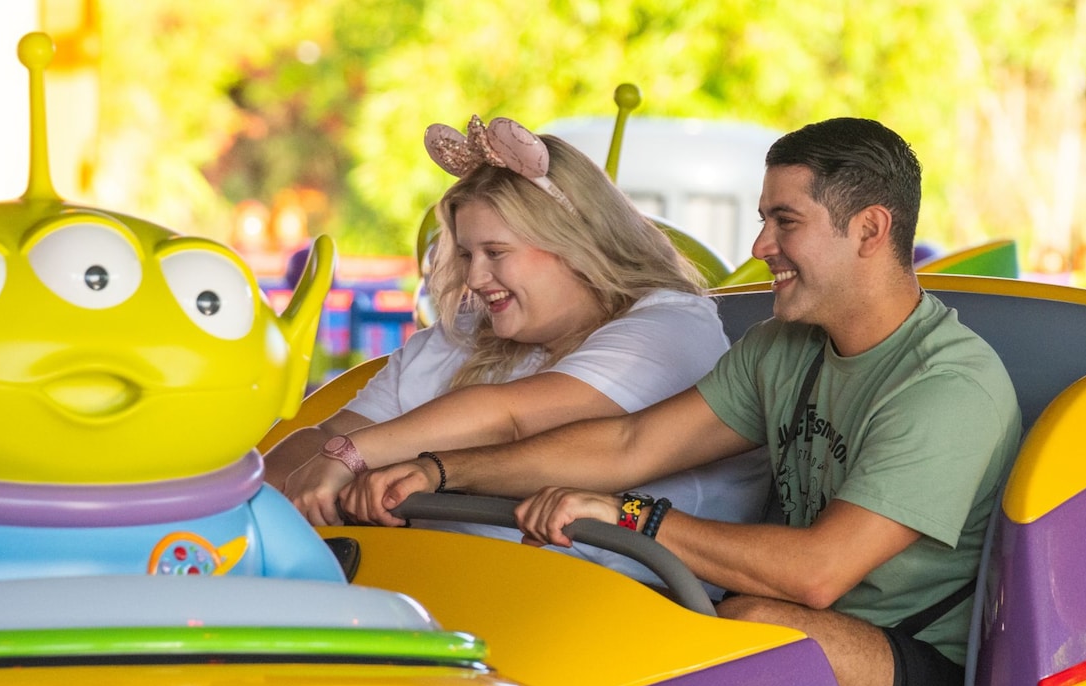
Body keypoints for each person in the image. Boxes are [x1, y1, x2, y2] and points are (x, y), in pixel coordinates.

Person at [341, 117, 1023, 686]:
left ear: (870, 230)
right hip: (781, 629)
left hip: (919, 685)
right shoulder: (781, 348)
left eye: (785, 222)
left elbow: (817, 573)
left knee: (754, 630)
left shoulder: (945, 386)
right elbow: (628, 444)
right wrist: (439, 470)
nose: (761, 247)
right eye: (763, 221)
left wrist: (633, 517)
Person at [266, 114, 770, 587]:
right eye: (466, 254)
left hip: (621, 602)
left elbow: (510, 418)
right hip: (448, 589)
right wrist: (268, 502)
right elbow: (326, 435)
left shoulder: (669, 326)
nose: (474, 277)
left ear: (575, 244)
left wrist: (350, 458)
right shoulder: (462, 334)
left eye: (496, 253)